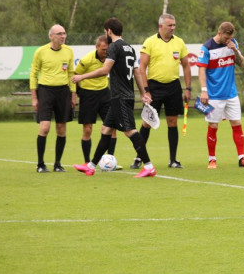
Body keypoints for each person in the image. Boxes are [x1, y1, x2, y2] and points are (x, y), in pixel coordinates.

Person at [71, 17, 157, 177]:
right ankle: (91, 166)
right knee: (105, 129)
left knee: (130, 131)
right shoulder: (130, 48)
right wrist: (143, 94)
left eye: (106, 32)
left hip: (121, 97)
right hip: (122, 96)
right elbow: (137, 72)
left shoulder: (114, 47)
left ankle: (148, 165)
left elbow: (104, 70)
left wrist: (82, 77)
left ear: (109, 31)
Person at [135, 13, 194, 169]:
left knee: (172, 122)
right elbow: (142, 67)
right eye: (170, 25)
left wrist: (188, 88)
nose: (173, 28)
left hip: (173, 86)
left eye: (174, 25)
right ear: (161, 26)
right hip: (154, 87)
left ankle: (173, 160)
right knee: (147, 122)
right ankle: (139, 157)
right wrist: (145, 90)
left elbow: (186, 66)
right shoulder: (150, 42)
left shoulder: (179, 42)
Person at [196, 21, 244, 169]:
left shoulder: (232, 43)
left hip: (231, 94)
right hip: (214, 95)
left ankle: (242, 158)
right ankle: (212, 159)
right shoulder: (207, 47)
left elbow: (241, 63)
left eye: (230, 37)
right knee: (213, 126)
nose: (228, 40)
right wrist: (204, 90)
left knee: (237, 124)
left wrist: (234, 49)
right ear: (219, 32)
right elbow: (201, 70)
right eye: (226, 37)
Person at [30, 24, 75, 173]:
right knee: (45, 127)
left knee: (61, 129)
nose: (63, 36)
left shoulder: (68, 51)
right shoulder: (41, 52)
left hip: (63, 91)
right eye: (59, 34)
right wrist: (34, 97)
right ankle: (40, 164)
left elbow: (70, 74)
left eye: (64, 33)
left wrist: (73, 95)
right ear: (51, 36)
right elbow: (33, 74)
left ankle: (57, 164)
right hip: (45, 91)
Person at [73, 36, 116, 168]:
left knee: (112, 127)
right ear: (96, 47)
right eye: (103, 49)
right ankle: (87, 161)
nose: (106, 51)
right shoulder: (86, 60)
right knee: (88, 129)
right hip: (88, 95)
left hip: (104, 93)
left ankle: (110, 160)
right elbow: (75, 76)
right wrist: (78, 93)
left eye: (108, 49)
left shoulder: (110, 58)